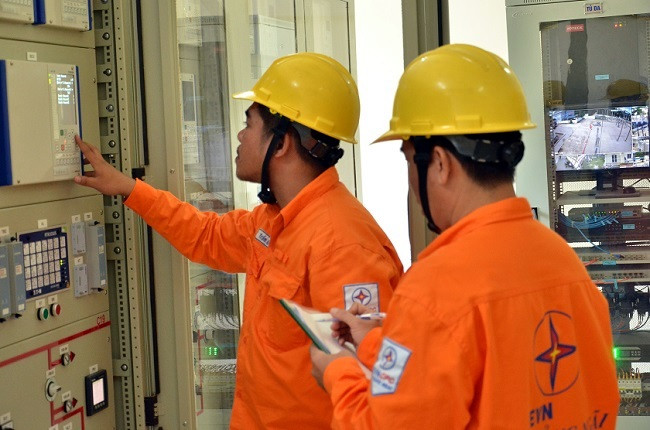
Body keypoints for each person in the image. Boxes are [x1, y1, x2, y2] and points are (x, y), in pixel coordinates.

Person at [74, 52, 403, 429]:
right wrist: (130, 188)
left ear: (282, 143)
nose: (241, 135)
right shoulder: (273, 219)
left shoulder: (343, 245)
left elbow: (370, 389)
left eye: (249, 123)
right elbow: (205, 235)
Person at [310, 44, 620, 428]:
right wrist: (377, 343)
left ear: (440, 163)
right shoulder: (564, 262)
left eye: (408, 158)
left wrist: (338, 371)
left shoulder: (434, 289)